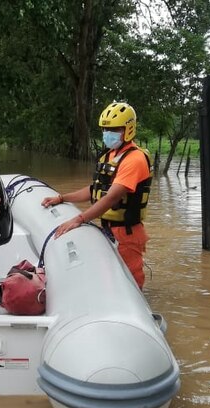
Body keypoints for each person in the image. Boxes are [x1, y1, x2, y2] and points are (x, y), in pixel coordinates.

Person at [42, 101, 152, 287]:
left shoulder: (135, 159)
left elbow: (111, 197)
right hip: (109, 227)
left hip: (126, 233)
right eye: (105, 129)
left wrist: (79, 219)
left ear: (128, 129)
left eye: (114, 129)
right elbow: (96, 190)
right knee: (112, 279)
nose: (108, 134)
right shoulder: (110, 155)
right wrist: (61, 198)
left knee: (131, 283)